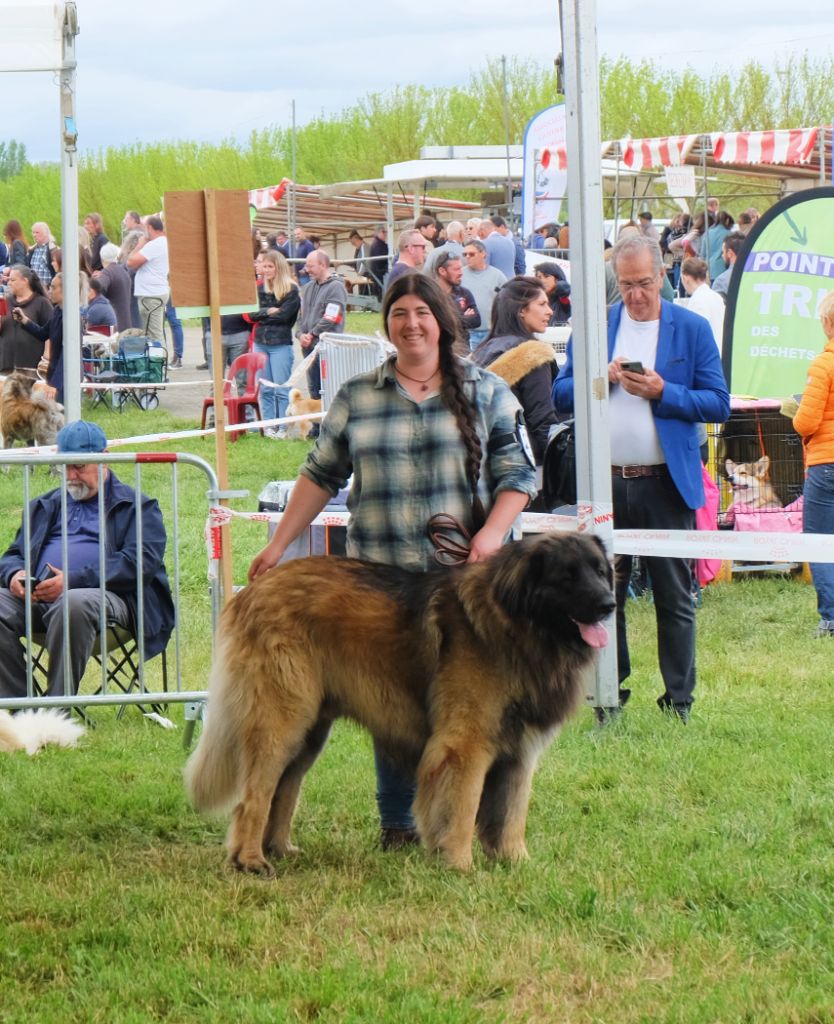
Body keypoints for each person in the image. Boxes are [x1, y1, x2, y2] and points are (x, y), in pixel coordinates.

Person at [249, 273, 537, 849]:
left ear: (442, 320)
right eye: (399, 312)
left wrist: (492, 536)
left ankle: (466, 827)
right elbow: (318, 476)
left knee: (467, 715)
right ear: (387, 323)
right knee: (387, 702)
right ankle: (398, 823)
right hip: (377, 583)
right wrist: (278, 545)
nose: (410, 323)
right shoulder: (359, 395)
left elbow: (520, 475)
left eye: (421, 312)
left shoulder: (487, 391)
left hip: (463, 588)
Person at [553, 234, 730, 722]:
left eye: (645, 284)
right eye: (627, 285)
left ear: (663, 275)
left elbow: (719, 403)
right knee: (603, 595)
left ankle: (679, 701)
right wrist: (602, 380)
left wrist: (663, 391)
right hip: (606, 481)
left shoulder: (691, 329)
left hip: (665, 482)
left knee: (675, 595)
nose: (636, 295)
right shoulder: (596, 328)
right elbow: (561, 393)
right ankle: (611, 694)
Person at [0, 420, 175, 699]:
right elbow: (12, 555)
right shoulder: (45, 506)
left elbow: (140, 562)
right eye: (65, 465)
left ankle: (55, 708)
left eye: (79, 466)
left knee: (73, 601)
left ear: (104, 459)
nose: (71, 475)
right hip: (38, 600)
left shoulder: (137, 507)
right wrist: (15, 575)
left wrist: (72, 580)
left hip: (109, 602)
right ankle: (22, 708)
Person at [470, 276, 558, 465]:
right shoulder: (532, 354)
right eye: (542, 304)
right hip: (523, 463)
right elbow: (542, 421)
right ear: (521, 311)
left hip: (482, 459)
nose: (549, 311)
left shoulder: (480, 352)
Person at [793, 289, 834, 638]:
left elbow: (806, 422)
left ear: (827, 322)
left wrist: (796, 413)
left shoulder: (823, 364)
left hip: (826, 464)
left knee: (820, 541)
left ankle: (831, 618)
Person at [249, 250, 301, 437]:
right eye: (265, 266)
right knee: (265, 388)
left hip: (280, 343)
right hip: (260, 342)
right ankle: (269, 425)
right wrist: (267, 312)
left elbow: (285, 316)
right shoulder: (258, 288)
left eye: (270, 266)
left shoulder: (291, 290)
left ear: (279, 267)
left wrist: (265, 314)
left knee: (281, 388)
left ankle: (282, 426)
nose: (267, 269)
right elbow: (251, 313)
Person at [296, 250, 347, 401]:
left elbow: (331, 318)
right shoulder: (308, 288)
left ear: (323, 265)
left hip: (327, 348)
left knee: (329, 390)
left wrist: (311, 334)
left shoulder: (336, 287)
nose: (307, 270)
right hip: (308, 347)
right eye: (306, 266)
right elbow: (301, 317)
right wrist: (300, 335)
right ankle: (317, 425)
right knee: (314, 390)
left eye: (311, 266)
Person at [16, 273, 66, 403]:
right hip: (55, 375)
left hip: (64, 379)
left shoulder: (71, 317)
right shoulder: (57, 311)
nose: (50, 291)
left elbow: (67, 355)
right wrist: (25, 321)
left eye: (53, 288)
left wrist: (56, 384)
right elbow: (44, 334)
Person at [0, 264, 53, 372]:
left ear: (25, 281)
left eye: (13, 280)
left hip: (31, 362)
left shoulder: (42, 303)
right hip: (6, 361)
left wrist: (47, 356)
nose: (9, 283)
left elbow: (50, 332)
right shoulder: (5, 301)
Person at [127, 215, 169, 342]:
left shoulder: (155, 245)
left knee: (154, 335)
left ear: (149, 228)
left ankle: (159, 360)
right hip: (156, 292)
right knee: (153, 332)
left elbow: (130, 262)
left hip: (151, 295)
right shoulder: (164, 242)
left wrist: (139, 245)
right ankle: (158, 359)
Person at [461, 239, 506, 350]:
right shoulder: (460, 275)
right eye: (464, 254)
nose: (467, 257)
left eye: (471, 254)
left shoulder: (497, 275)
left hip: (491, 332)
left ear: (483, 254)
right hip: (468, 332)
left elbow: (507, 300)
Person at [430, 252, 480, 343]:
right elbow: (435, 324)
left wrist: (449, 320)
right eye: (456, 269)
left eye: (461, 268)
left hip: (464, 351)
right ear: (442, 271)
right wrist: (463, 318)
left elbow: (477, 320)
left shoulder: (464, 293)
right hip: (440, 349)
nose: (461, 273)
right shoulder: (430, 295)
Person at [680, 257, 725, 351]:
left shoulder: (698, 300)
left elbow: (695, 334)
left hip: (707, 356)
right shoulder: (716, 297)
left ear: (685, 278)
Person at [95, 242, 133, 332]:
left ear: (102, 258)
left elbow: (99, 287)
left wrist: (94, 282)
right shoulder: (123, 271)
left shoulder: (107, 272)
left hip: (113, 324)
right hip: (125, 322)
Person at [711, 232, 745, 300]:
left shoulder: (721, 281)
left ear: (730, 253)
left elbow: (718, 307)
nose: (722, 256)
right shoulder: (757, 275)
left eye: (723, 252)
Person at [28, 222, 56, 288]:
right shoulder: (32, 250)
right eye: (33, 232)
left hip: (48, 290)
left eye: (37, 232)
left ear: (46, 233)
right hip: (34, 289)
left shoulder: (53, 250)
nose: (34, 235)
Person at [367, 225, 388, 297]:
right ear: (378, 233)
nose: (385, 234)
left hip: (379, 275)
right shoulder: (377, 245)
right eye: (383, 232)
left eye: (386, 232)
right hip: (379, 275)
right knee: (381, 296)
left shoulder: (379, 244)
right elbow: (381, 260)